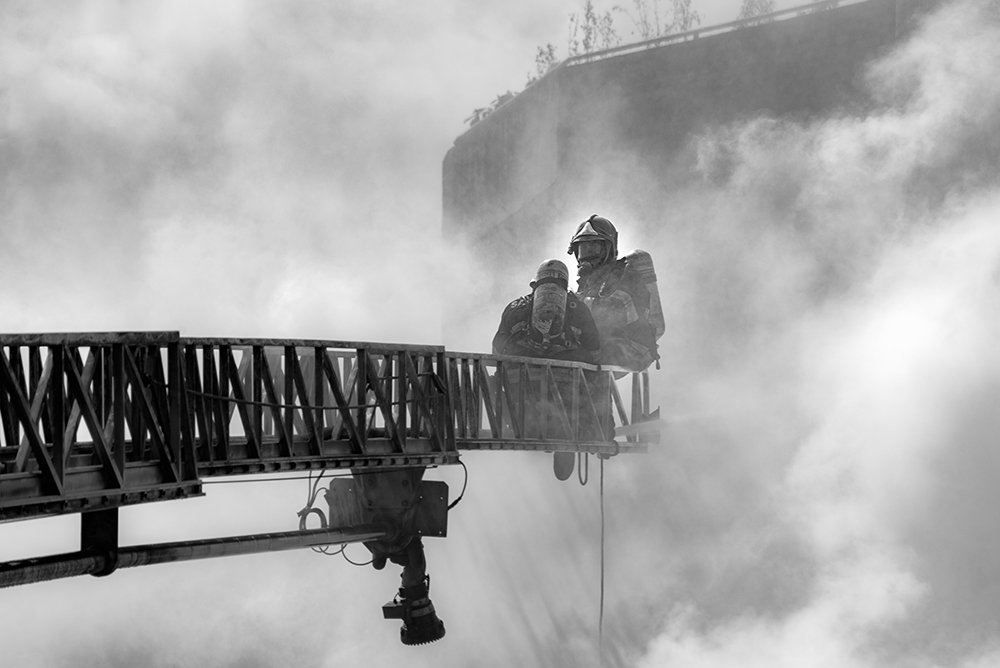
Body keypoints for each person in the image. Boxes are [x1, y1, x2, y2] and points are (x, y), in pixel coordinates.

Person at [567, 214, 658, 372]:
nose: (587, 256)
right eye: (583, 249)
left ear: (608, 249)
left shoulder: (624, 277)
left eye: (593, 248)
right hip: (598, 356)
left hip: (626, 350)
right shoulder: (587, 285)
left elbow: (612, 320)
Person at [492, 258, 600, 363]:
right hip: (568, 376)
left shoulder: (515, 308)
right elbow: (594, 351)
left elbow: (498, 351)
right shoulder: (579, 310)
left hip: (522, 373)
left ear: (534, 285)